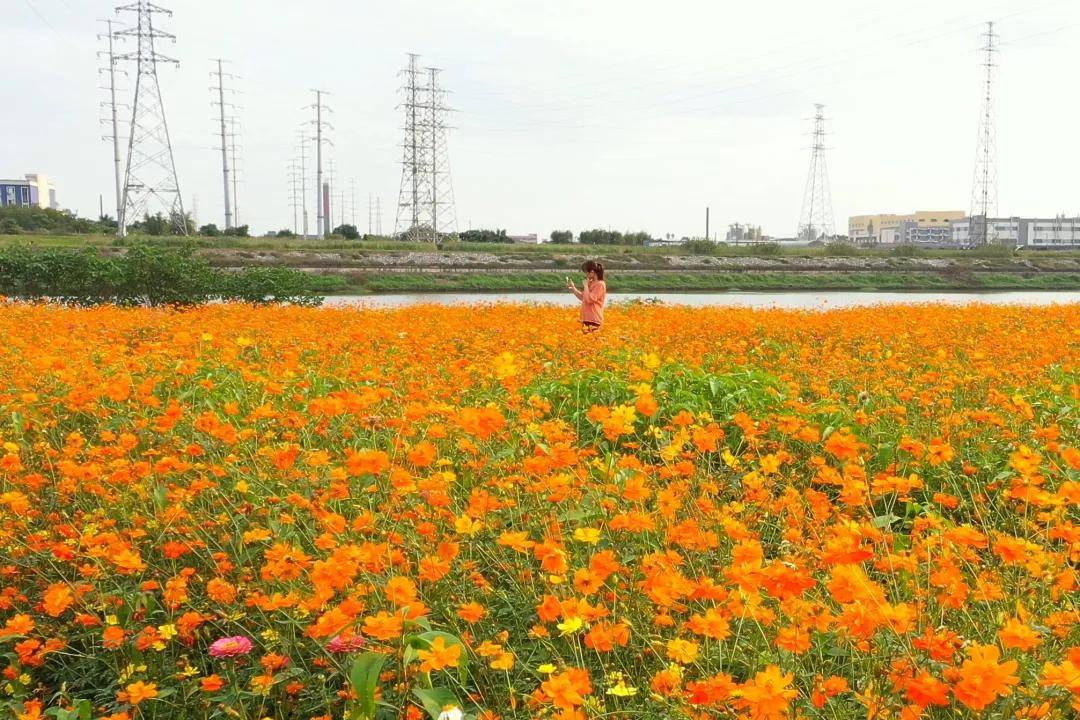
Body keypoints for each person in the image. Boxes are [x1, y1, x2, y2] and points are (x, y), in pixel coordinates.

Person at [566, 260, 607, 333]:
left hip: (594, 320)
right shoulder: (590, 283)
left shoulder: (600, 284)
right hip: (586, 319)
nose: (586, 275)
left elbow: (590, 300)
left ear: (592, 272)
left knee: (592, 342)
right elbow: (582, 297)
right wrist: (573, 288)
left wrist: (585, 286)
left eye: (586, 272)